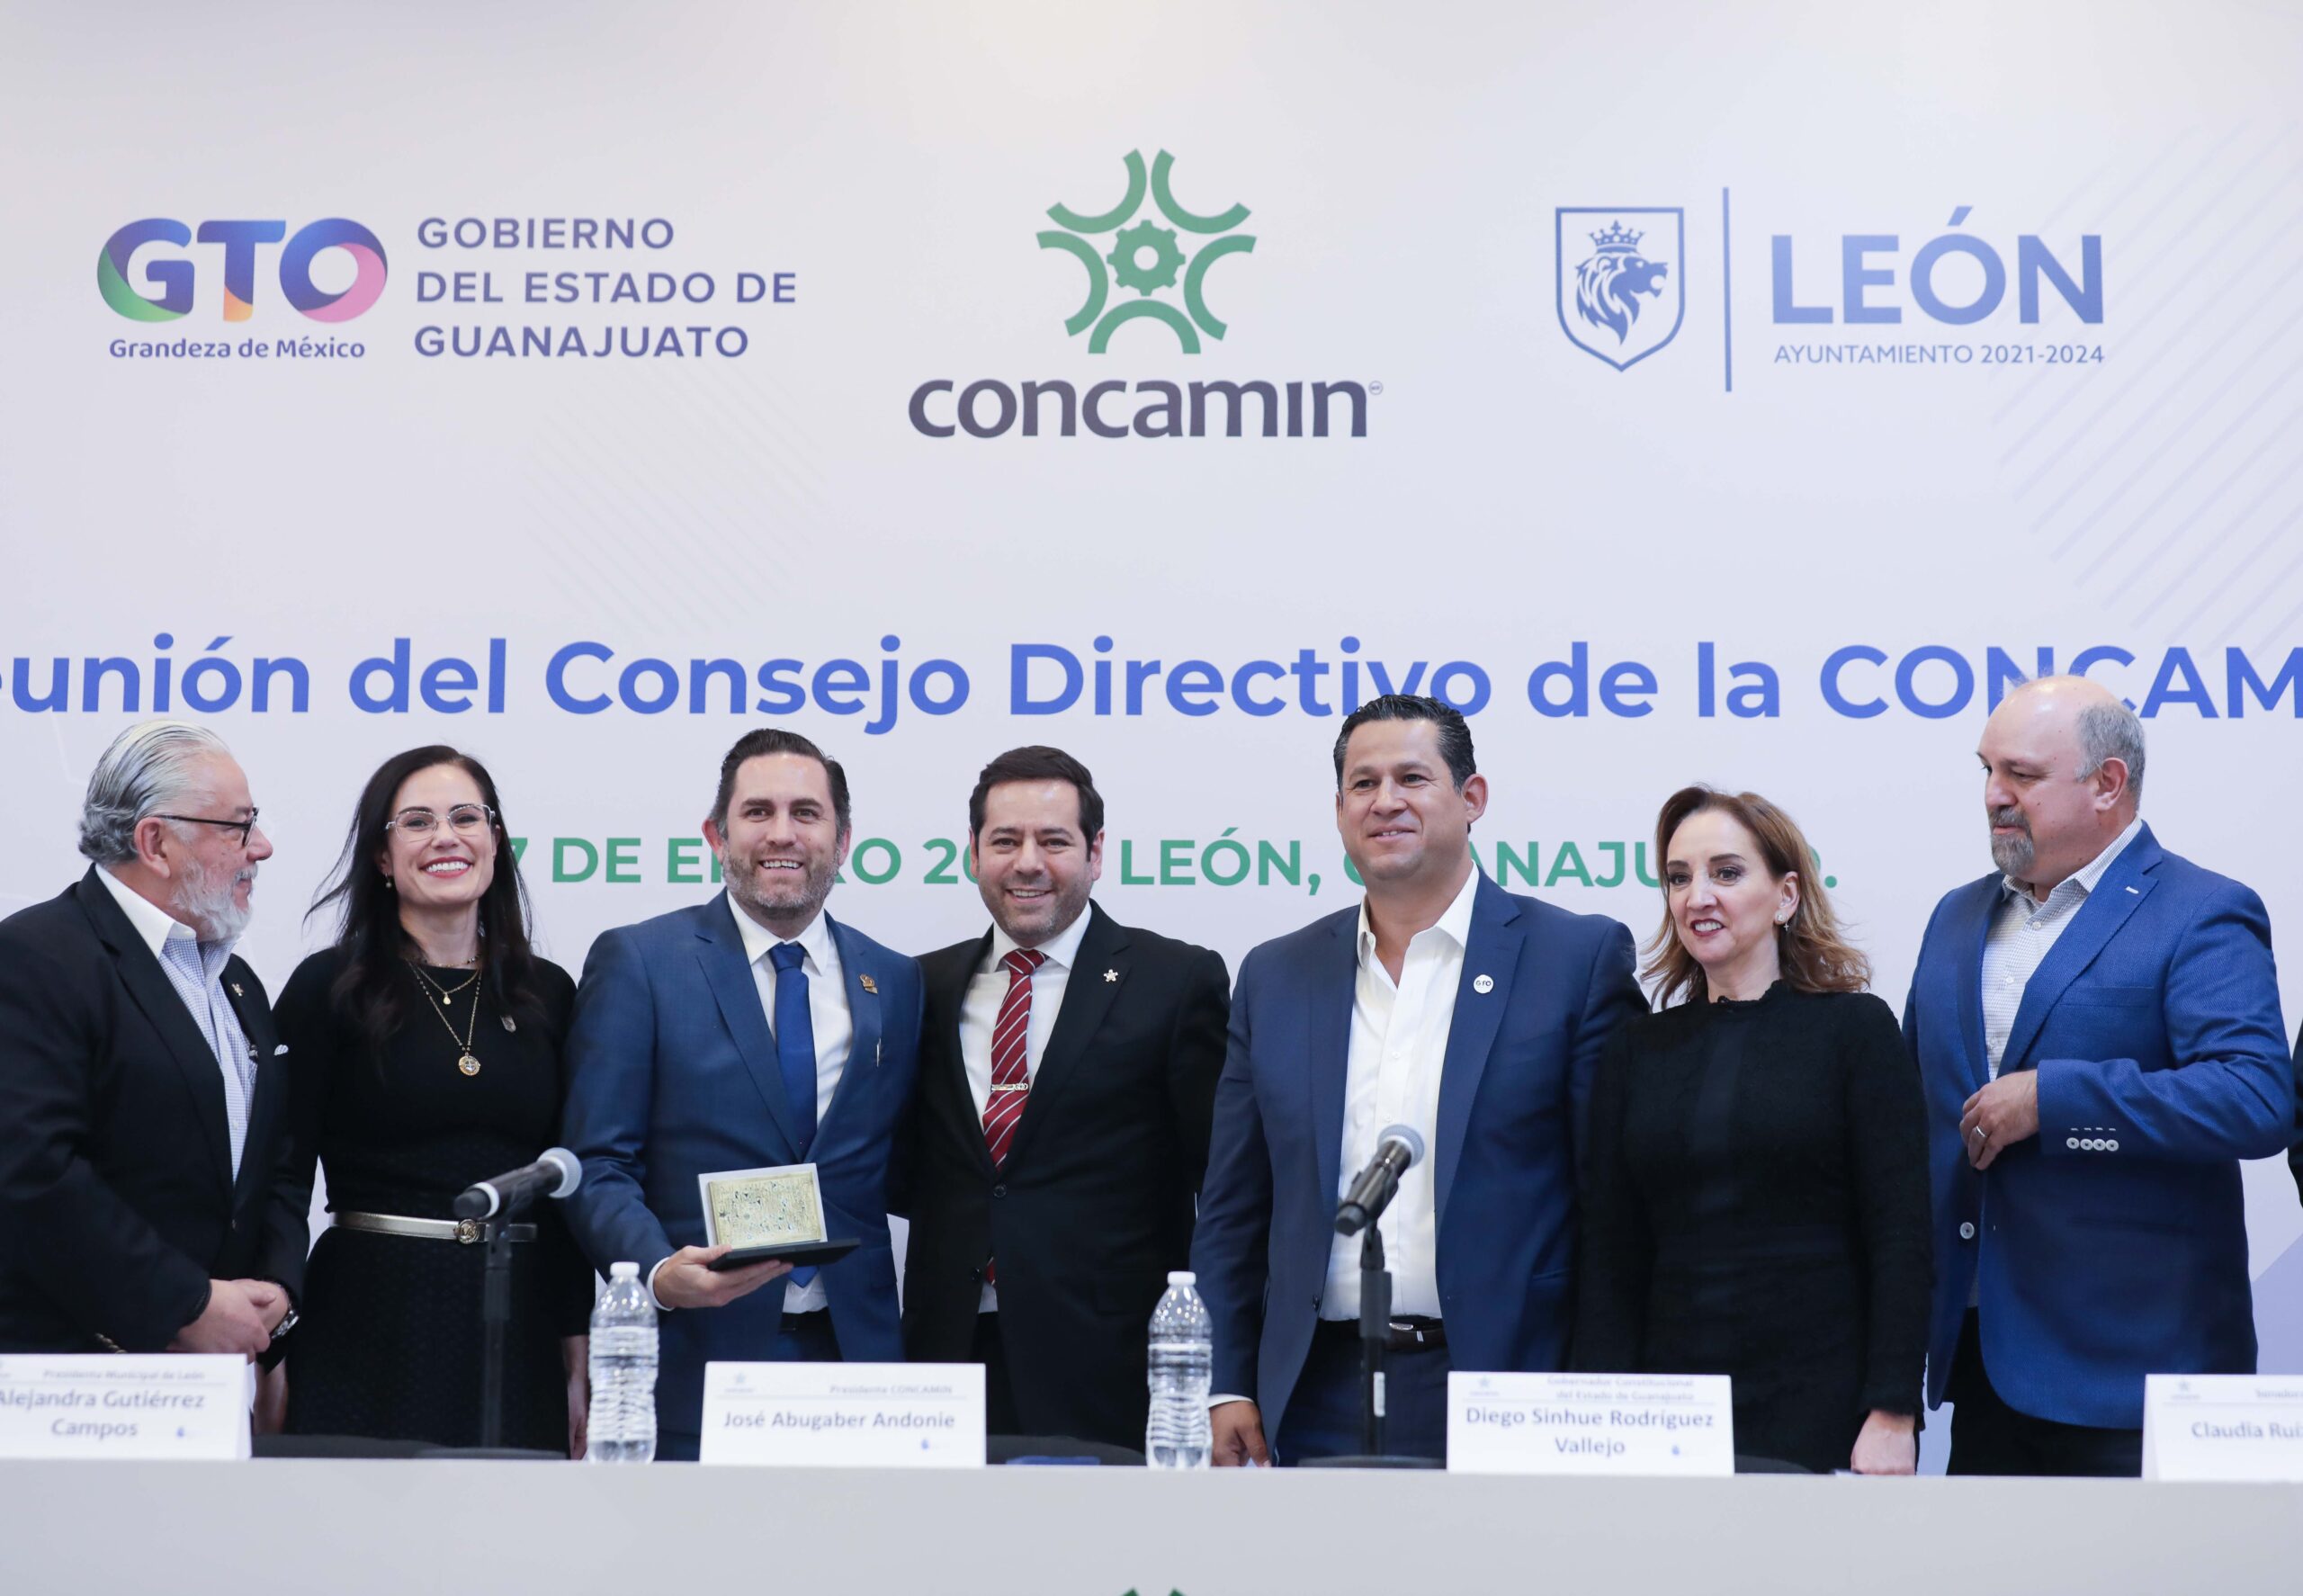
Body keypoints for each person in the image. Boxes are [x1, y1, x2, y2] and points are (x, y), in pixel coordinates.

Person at [1192, 695, 1645, 1465]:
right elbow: (1234, 1205)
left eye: (1411, 778)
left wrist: (1594, 1388)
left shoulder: (1574, 960)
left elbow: (1614, 1206)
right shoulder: (1276, 976)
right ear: (1340, 810)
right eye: (1363, 784)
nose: (1385, 801)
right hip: (1309, 1392)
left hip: (1511, 1388)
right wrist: (1227, 1380)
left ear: (1472, 798)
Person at [1906, 676, 2292, 1475]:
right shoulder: (1954, 916)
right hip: (1981, 1369)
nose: (1993, 795)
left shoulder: (2201, 910)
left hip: (2141, 1380)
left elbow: (2254, 1098)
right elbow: (1915, 1126)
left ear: (2108, 783)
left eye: (2021, 774)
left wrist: (2055, 1099)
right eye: (1986, 770)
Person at [560, 728, 921, 1460]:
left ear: (843, 840)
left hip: (859, 1364)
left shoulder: (895, 979)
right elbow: (596, 1163)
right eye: (757, 812)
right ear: (715, 835)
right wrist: (660, 1273)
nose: (782, 833)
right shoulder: (641, 962)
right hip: (697, 1360)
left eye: (806, 813)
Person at [1573, 785, 1930, 1474]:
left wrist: (1892, 1410)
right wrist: (1602, 1411)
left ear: (1786, 895)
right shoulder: (1637, 1049)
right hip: (1667, 1413)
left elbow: (1901, 1238)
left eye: (1726, 873)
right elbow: (1611, 1255)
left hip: (1821, 1409)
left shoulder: (1855, 1031)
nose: (1697, 897)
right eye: (1679, 878)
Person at [896, 747, 1228, 1448]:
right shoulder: (920, 987)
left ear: (1095, 852)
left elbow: (1224, 1190)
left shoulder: (1175, 982)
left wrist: (1225, 1366)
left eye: (1053, 841)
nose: (1028, 863)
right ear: (973, 854)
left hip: (1111, 1370)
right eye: (1005, 842)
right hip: (944, 1360)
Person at [273, 747, 593, 1454]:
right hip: (365, 1314)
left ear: (496, 840)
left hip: (519, 1315)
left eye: (465, 818)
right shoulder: (329, 987)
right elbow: (280, 1175)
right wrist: (273, 1342)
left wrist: (578, 1342)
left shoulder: (549, 991)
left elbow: (565, 1185)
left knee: (512, 1519)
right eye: (417, 822)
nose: (446, 837)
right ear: (382, 857)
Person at [0, 720, 302, 1360]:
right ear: (156, 842)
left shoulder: (238, 983)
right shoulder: (35, 958)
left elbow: (274, 1160)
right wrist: (185, 1306)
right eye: (239, 826)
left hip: (218, 1381)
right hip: (75, 1377)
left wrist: (276, 1287)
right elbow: (30, 1169)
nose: (263, 847)